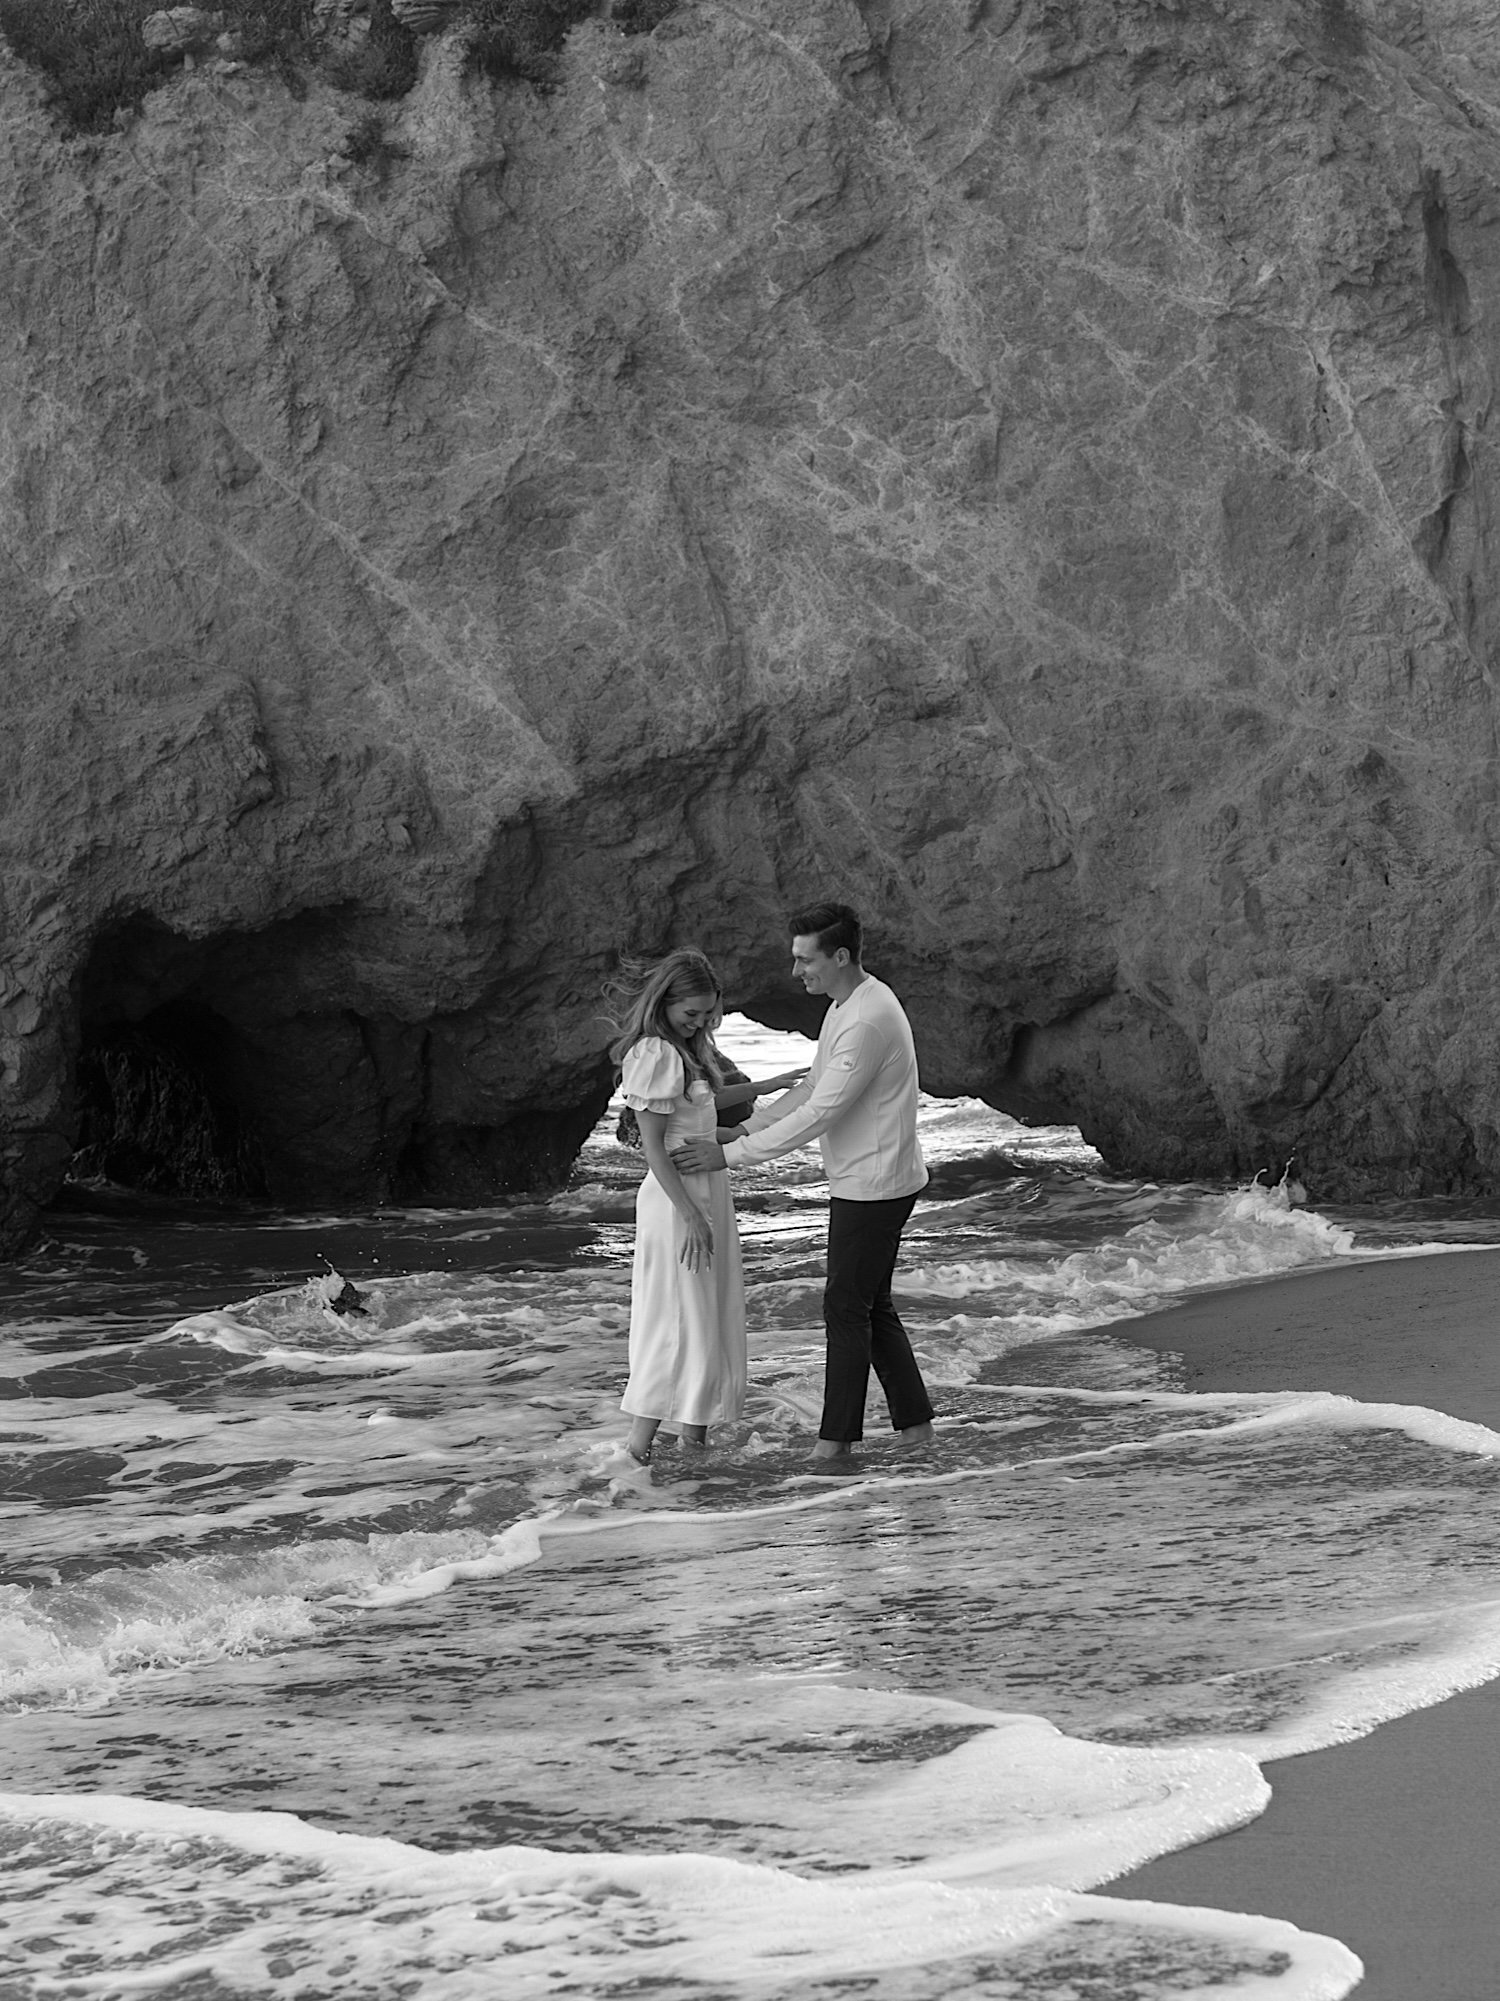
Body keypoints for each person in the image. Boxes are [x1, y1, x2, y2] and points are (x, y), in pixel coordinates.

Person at [673, 903, 935, 1462]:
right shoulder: (848, 1004)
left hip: (876, 1184)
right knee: (870, 1305)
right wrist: (737, 1131)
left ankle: (834, 1445)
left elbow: (821, 1113)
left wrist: (733, 1156)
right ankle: (915, 1429)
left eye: (805, 959)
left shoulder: (866, 1019)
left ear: (840, 956)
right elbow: (811, 1088)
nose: (796, 972)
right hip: (872, 1177)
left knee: (845, 1308)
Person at [606, 949, 805, 1465]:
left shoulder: (682, 1050)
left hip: (707, 1189)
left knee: (707, 1314)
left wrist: (768, 1087)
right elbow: (654, 1148)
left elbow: (697, 1120)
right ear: (664, 1002)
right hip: (677, 1199)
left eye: (706, 1015)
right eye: (689, 1013)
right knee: (675, 1318)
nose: (698, 1023)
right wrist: (691, 1216)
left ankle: (693, 1440)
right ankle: (637, 1449)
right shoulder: (654, 1053)